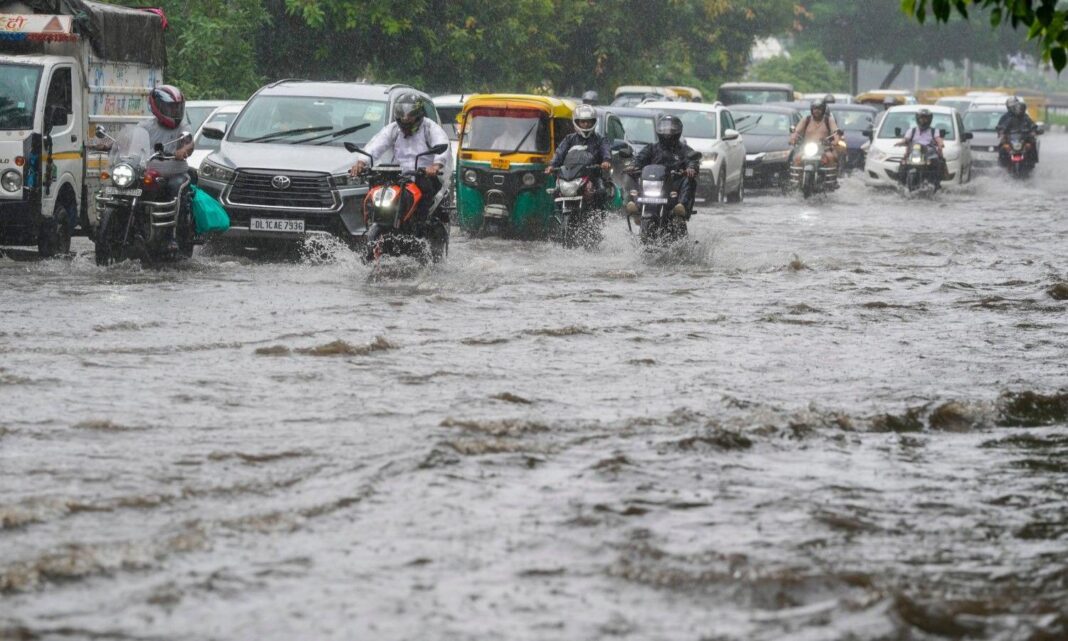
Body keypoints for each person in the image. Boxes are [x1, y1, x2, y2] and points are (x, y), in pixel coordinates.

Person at [350, 93, 451, 224]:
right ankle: (372, 223)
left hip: (424, 175)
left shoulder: (430, 128)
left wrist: (436, 166)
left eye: (410, 116)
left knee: (425, 200)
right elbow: (375, 145)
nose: (406, 119)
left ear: (418, 114)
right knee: (373, 192)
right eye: (402, 116)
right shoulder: (393, 129)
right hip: (398, 176)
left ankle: (421, 229)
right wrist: (361, 162)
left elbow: (442, 145)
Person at [135, 84, 194, 251]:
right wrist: (111, 144)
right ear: (157, 106)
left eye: (177, 108)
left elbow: (189, 143)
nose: (174, 112)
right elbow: (132, 143)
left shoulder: (183, 127)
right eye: (170, 108)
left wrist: (183, 150)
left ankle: (172, 236)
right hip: (150, 173)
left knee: (175, 188)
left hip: (176, 172)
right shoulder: (145, 126)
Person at [625, 114, 699, 218]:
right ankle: (635, 204)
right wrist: (632, 165)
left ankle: (681, 206)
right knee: (632, 175)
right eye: (664, 128)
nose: (667, 131)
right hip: (653, 183)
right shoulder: (652, 148)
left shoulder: (684, 149)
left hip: (674, 184)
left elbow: (692, 160)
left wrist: (691, 168)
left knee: (689, 179)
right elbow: (639, 158)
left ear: (678, 130)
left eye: (671, 128)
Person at [545, 104, 613, 206]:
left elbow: (606, 151)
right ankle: (557, 216)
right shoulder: (569, 139)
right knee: (555, 192)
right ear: (577, 122)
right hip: (571, 177)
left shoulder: (600, 139)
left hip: (593, 176)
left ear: (593, 122)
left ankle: (599, 219)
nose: (585, 124)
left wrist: (606, 161)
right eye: (582, 121)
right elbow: (560, 152)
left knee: (601, 192)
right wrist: (552, 166)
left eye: (588, 121)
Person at [895, 108, 945, 184]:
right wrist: (900, 143)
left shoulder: (934, 131)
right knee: (903, 164)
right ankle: (901, 185)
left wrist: (941, 144)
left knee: (937, 164)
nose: (923, 120)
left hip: (928, 155)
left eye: (925, 118)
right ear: (918, 119)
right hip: (914, 154)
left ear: (929, 119)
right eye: (921, 118)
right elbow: (906, 140)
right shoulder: (911, 130)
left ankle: (935, 184)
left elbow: (938, 139)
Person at [789, 97, 841, 168]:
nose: (817, 111)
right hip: (806, 148)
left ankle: (829, 178)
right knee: (797, 158)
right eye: (815, 109)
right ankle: (798, 177)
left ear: (823, 110)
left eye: (819, 109)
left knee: (830, 157)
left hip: (824, 148)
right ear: (811, 109)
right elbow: (796, 131)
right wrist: (793, 138)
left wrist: (836, 139)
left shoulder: (828, 120)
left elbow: (835, 131)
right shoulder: (806, 119)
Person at [996, 96, 1039, 166]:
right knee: (1002, 146)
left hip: (1023, 138)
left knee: (1032, 144)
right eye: (1011, 107)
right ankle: (1002, 164)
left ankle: (1032, 162)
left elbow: (1032, 125)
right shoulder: (1006, 118)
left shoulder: (1026, 117)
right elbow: (1001, 127)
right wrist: (1001, 133)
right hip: (1011, 138)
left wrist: (1033, 132)